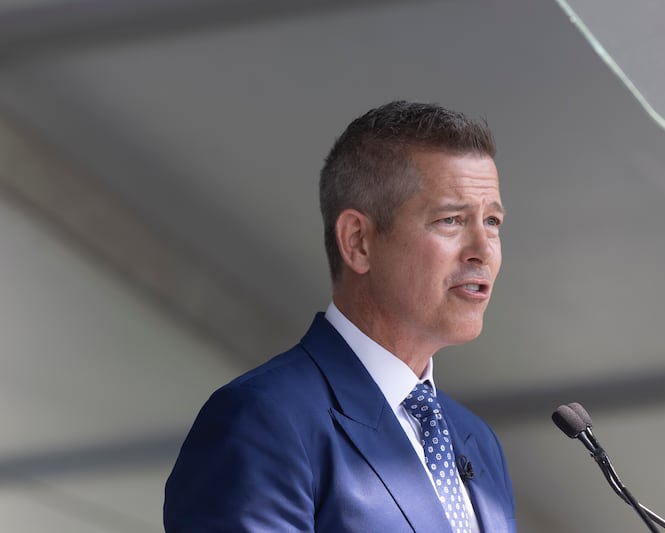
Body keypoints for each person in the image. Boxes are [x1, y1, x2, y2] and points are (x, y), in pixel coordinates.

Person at [164, 100, 517, 532]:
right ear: (358, 242)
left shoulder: (477, 441)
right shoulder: (263, 420)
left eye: (494, 221)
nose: (483, 250)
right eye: (450, 220)